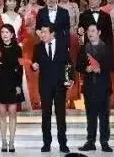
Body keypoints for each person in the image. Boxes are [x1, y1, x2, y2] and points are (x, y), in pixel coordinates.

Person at [32, 24, 70, 153]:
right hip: (45, 86)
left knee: (61, 115)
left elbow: (68, 64)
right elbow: (34, 63)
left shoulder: (62, 45)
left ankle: (63, 144)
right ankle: (46, 143)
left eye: (44, 32)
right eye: (41, 32)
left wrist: (69, 79)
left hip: (60, 86)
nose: (42, 34)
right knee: (46, 115)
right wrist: (34, 66)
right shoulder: (37, 47)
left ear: (52, 33)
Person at [78, 23, 113, 153]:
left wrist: (101, 68)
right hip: (89, 87)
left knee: (104, 116)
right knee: (91, 116)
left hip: (103, 86)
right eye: (88, 31)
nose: (90, 33)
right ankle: (90, 141)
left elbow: (113, 65)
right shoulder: (84, 48)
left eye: (93, 31)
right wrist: (85, 68)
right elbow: (78, 66)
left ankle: (104, 142)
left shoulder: (107, 47)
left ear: (99, 32)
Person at [0, 24, 23, 152]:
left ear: (12, 34)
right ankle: (3, 141)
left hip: (13, 81)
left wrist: (18, 85)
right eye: (2, 32)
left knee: (13, 112)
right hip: (1, 81)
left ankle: (12, 142)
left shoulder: (17, 48)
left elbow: (20, 68)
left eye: (7, 32)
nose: (4, 34)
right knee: (2, 113)